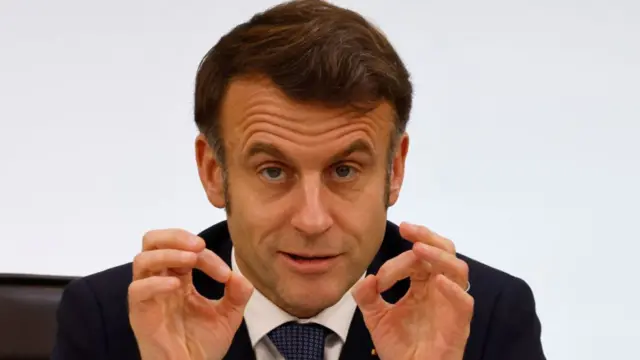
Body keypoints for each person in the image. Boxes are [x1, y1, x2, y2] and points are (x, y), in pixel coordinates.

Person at [51, 1, 546, 359]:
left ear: (394, 170)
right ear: (214, 172)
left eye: (345, 170)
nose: (312, 220)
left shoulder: (485, 318)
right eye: (273, 170)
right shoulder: (110, 322)